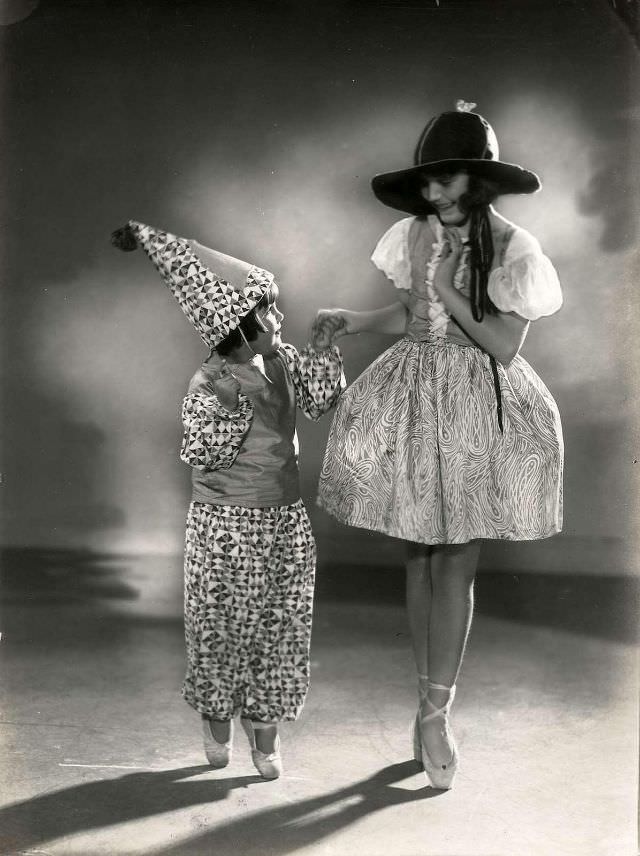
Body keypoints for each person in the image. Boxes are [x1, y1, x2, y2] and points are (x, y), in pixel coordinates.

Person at [311, 103, 563, 789]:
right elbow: (412, 313)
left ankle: (436, 713)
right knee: (418, 555)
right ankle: (426, 701)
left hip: (476, 403)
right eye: (426, 186)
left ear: (476, 181)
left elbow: (504, 344)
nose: (433, 197)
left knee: (454, 561)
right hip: (415, 395)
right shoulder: (417, 233)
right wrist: (356, 320)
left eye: (444, 182)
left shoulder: (516, 249)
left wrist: (451, 284)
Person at [112, 220, 344, 779]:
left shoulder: (283, 360)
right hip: (227, 527)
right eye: (264, 313)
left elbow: (321, 400)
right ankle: (218, 721)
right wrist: (229, 405)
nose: (276, 318)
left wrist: (322, 348)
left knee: (281, 625)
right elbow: (200, 450)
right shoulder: (209, 381)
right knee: (224, 626)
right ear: (236, 331)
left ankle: (265, 735)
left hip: (284, 521)